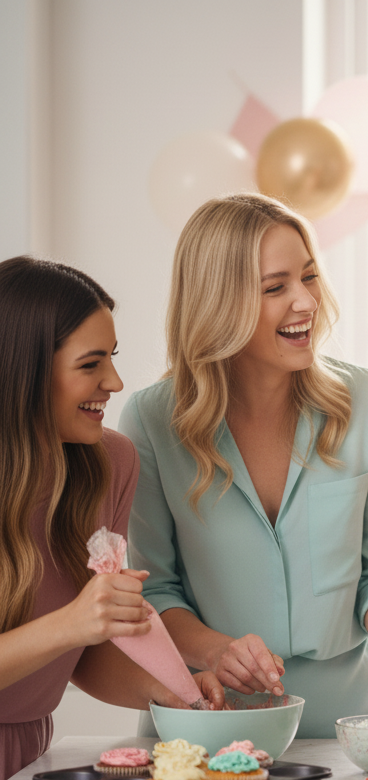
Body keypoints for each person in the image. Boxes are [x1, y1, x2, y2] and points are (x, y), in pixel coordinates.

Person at [121, 193, 368, 739]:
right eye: (276, 287)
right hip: (203, 723)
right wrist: (216, 649)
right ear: (217, 302)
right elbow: (153, 591)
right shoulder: (152, 420)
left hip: (348, 730)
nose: (306, 301)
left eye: (310, 276)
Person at [0, 256, 221, 779]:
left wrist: (165, 690)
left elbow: (79, 652)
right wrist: (72, 622)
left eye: (112, 359)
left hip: (30, 748)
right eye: (90, 364)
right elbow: (70, 629)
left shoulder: (110, 465)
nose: (115, 382)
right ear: (23, 372)